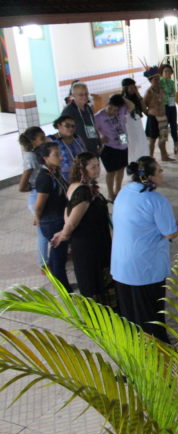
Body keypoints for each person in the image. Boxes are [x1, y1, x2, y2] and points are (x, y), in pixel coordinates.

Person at [111, 157, 178, 343]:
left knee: (131, 317)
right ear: (149, 176)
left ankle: (133, 354)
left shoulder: (124, 192)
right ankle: (159, 356)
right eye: (159, 171)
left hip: (121, 266)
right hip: (144, 268)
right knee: (151, 317)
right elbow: (170, 233)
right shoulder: (156, 200)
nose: (163, 173)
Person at [50, 152, 112, 306]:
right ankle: (103, 313)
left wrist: (64, 231)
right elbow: (72, 220)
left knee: (91, 277)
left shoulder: (76, 186)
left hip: (89, 241)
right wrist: (64, 234)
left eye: (98, 165)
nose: (97, 170)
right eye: (93, 167)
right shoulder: (84, 191)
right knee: (95, 278)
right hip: (91, 244)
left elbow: (68, 211)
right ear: (82, 169)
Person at [33, 142, 72, 292]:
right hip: (52, 222)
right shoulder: (44, 178)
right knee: (58, 255)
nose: (61, 157)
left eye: (60, 153)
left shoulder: (53, 172)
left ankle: (62, 285)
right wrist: (38, 218)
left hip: (57, 218)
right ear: (45, 158)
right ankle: (64, 289)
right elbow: (39, 204)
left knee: (58, 254)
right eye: (56, 155)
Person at [18, 126, 48, 268]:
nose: (45, 140)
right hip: (37, 195)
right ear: (33, 142)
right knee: (42, 232)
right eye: (41, 138)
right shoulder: (31, 157)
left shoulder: (40, 152)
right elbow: (22, 186)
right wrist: (34, 186)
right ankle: (43, 263)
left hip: (44, 192)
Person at [93, 94, 131, 200]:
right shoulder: (98, 116)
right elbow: (92, 131)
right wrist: (99, 139)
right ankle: (110, 193)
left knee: (121, 169)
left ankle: (118, 189)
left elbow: (131, 106)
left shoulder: (121, 109)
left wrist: (121, 98)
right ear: (107, 104)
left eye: (115, 110)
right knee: (111, 171)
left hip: (123, 143)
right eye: (110, 108)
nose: (112, 112)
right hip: (109, 147)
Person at [143, 67, 174, 162]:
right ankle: (150, 158)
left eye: (158, 78)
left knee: (163, 138)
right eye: (155, 79)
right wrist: (149, 114)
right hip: (153, 117)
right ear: (150, 81)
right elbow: (144, 105)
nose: (157, 80)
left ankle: (164, 156)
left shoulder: (161, 89)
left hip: (163, 117)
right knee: (152, 140)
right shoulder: (149, 92)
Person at [60, 82, 101, 154]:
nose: (84, 97)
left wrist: (98, 142)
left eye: (86, 94)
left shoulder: (88, 107)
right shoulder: (68, 111)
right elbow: (64, 134)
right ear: (73, 96)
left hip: (93, 148)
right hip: (80, 151)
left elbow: (93, 126)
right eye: (81, 95)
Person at [49, 115, 87, 184]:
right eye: (67, 126)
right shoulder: (51, 140)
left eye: (73, 126)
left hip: (81, 176)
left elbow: (86, 154)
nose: (71, 128)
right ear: (58, 125)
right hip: (63, 179)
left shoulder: (77, 138)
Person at [122, 78, 150, 163]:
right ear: (125, 88)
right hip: (129, 129)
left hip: (138, 127)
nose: (133, 89)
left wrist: (138, 95)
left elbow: (145, 109)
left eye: (134, 86)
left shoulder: (136, 98)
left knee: (142, 148)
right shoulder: (122, 100)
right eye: (131, 87)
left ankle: (142, 171)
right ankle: (133, 169)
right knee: (132, 150)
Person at [159, 65, 178, 156]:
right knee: (163, 129)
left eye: (169, 71)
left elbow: (172, 95)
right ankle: (163, 151)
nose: (167, 73)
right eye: (165, 71)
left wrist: (173, 107)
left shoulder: (172, 82)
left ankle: (176, 147)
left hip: (171, 107)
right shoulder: (159, 82)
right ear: (162, 73)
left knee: (174, 128)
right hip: (163, 107)